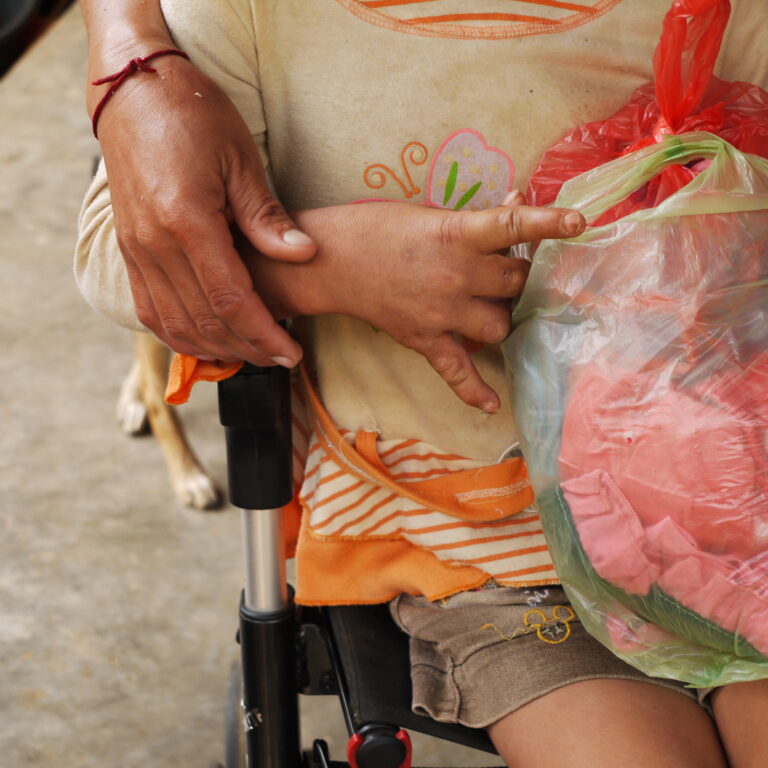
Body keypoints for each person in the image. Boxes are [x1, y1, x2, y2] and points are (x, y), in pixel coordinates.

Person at [75, 1, 768, 766]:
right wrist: (334, 265)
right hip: (486, 545)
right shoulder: (248, 14)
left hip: (732, 510)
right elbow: (120, 255)